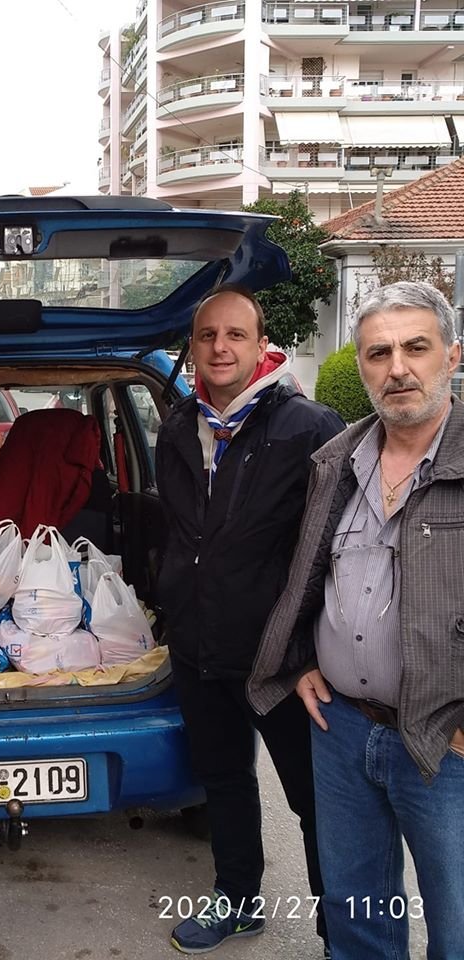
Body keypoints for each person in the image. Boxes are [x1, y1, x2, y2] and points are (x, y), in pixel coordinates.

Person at [248, 281, 464, 960]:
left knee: (457, 929)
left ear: (452, 356)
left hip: (445, 742)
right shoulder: (337, 460)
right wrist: (300, 660)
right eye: (378, 352)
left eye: (415, 347)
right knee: (358, 917)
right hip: (341, 728)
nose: (397, 367)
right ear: (362, 365)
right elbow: (313, 575)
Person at [156, 285, 343, 956]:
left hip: (283, 659)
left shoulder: (310, 428)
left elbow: (335, 551)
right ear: (193, 348)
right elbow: (181, 533)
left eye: (235, 335)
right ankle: (237, 902)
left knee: (316, 802)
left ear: (261, 344)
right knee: (225, 782)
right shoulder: (178, 425)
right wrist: (171, 600)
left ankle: (341, 933)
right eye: (208, 336)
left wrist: (314, 650)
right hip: (198, 647)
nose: (220, 347)